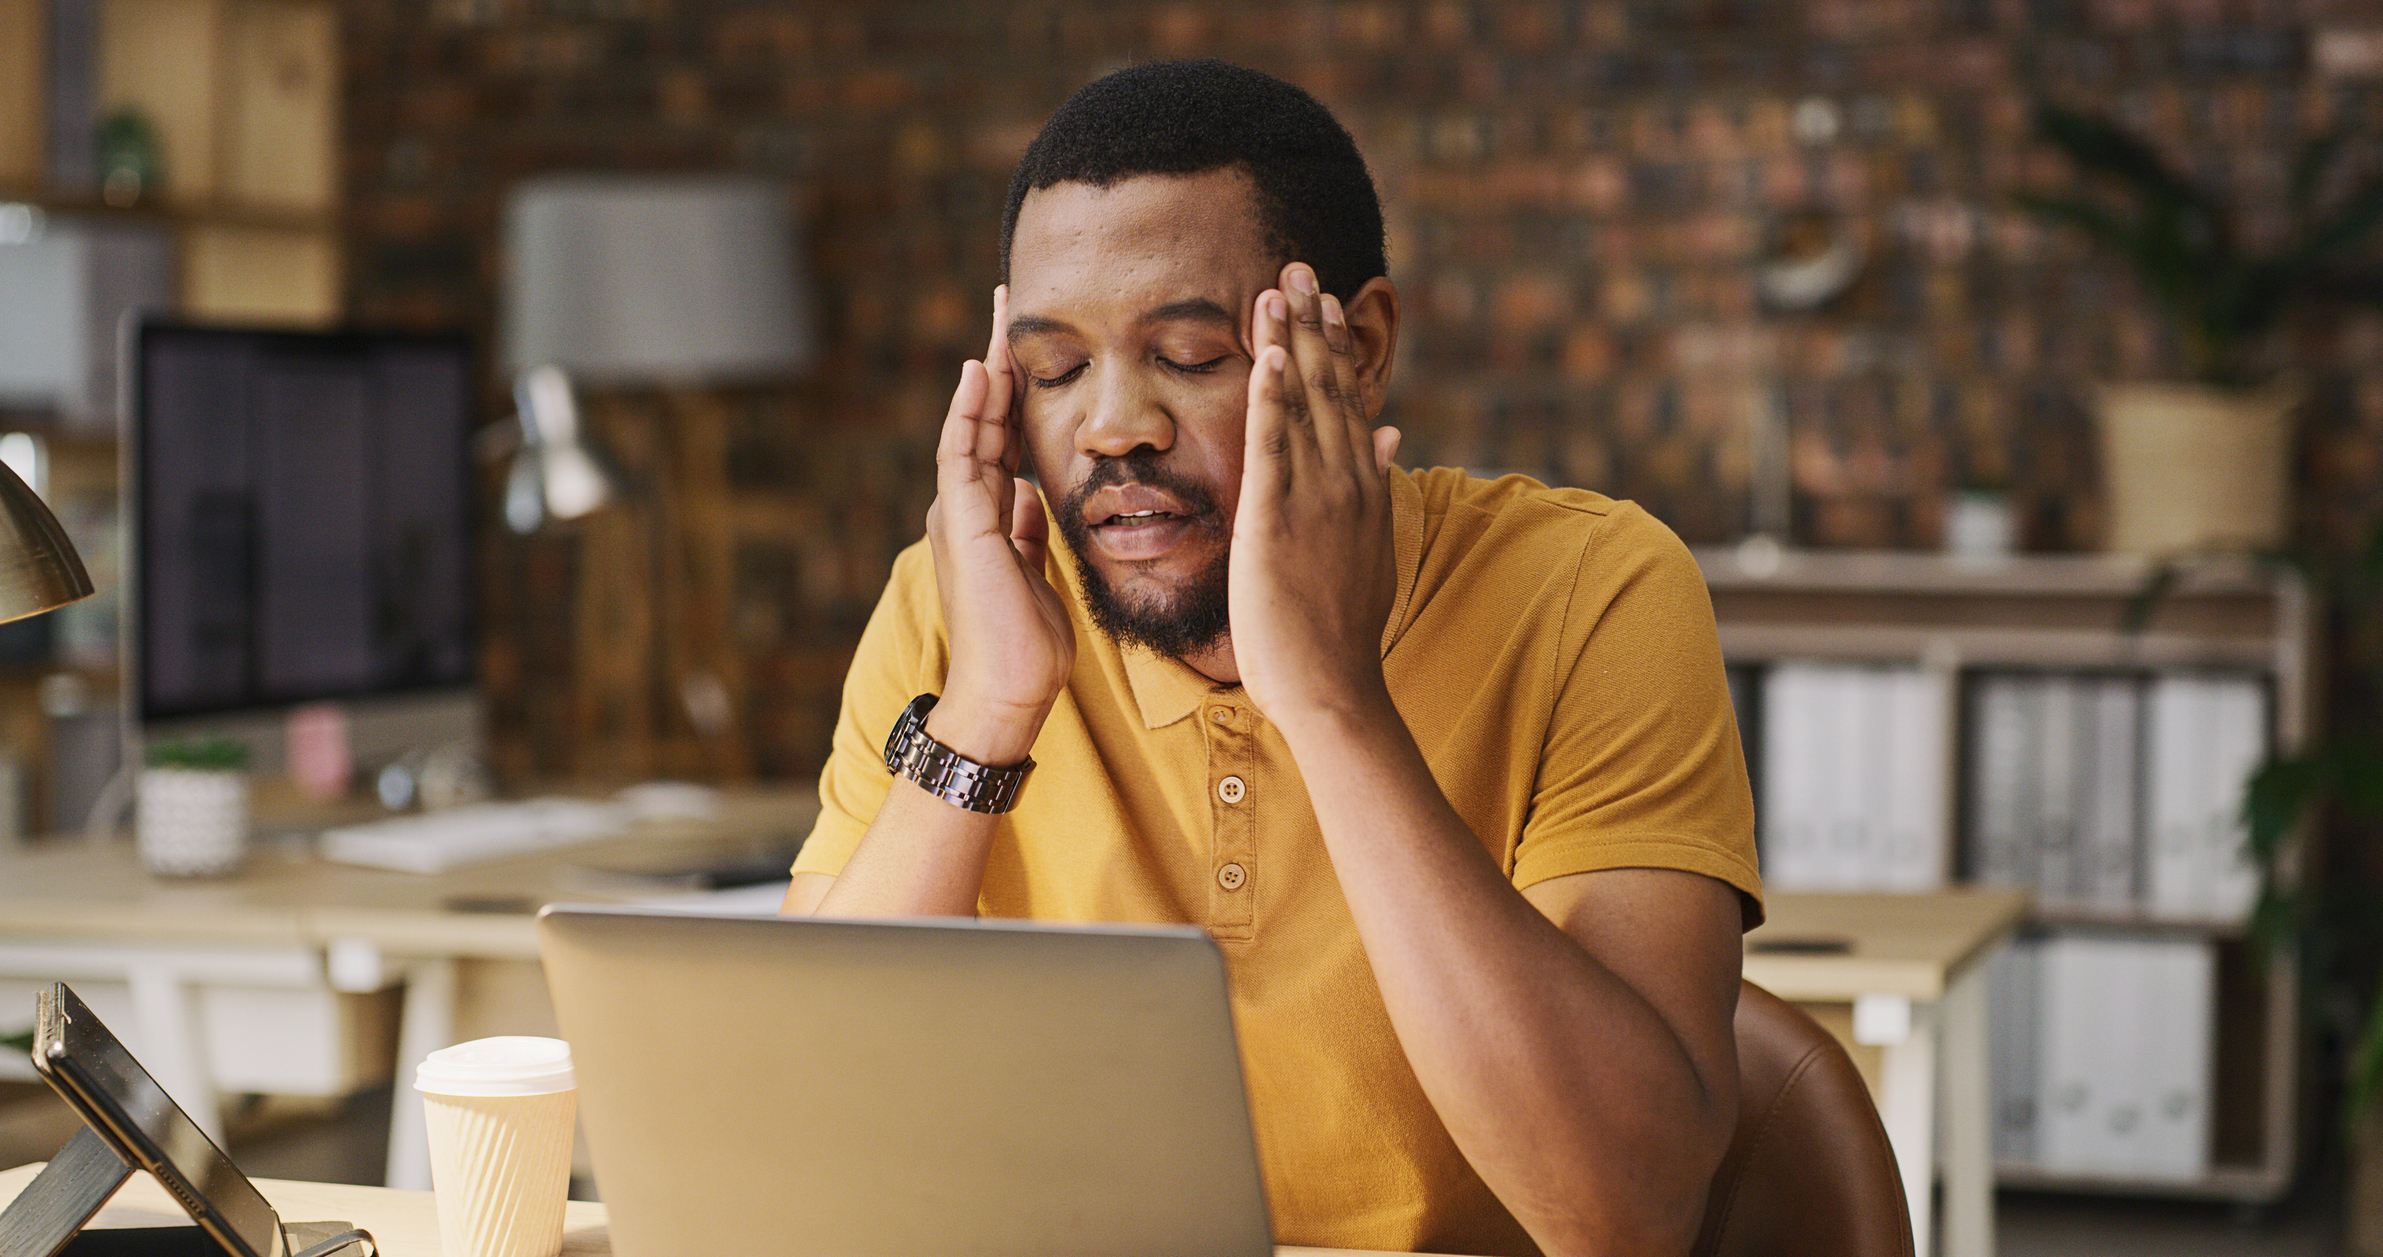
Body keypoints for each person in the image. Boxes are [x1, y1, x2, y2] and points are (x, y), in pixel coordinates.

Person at [782, 59, 1762, 1257]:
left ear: (1355, 350)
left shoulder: (1591, 592)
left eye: (1188, 356)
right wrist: (985, 708)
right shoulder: (960, 602)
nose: (1110, 427)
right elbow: (802, 1124)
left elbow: (1627, 1211)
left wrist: (1332, 701)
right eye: (1054, 369)